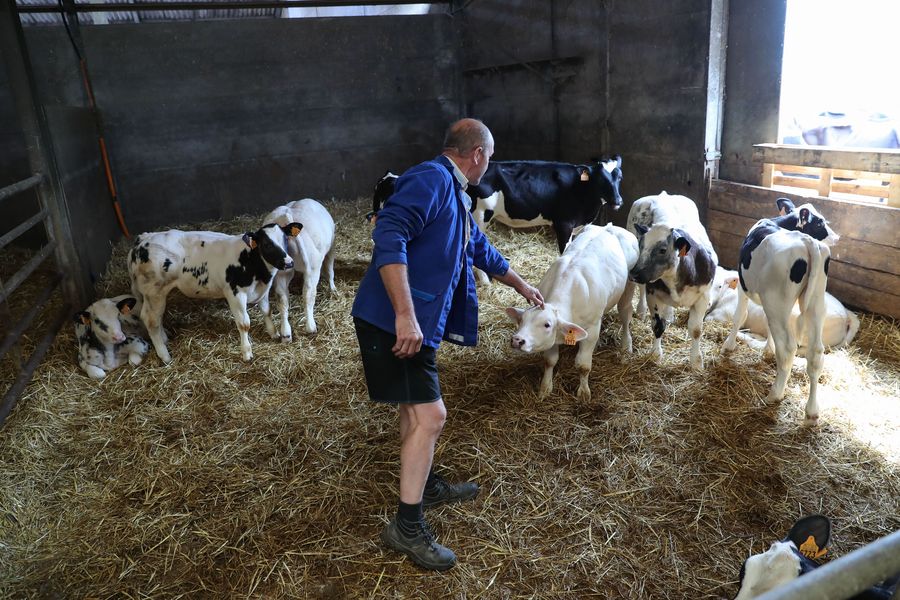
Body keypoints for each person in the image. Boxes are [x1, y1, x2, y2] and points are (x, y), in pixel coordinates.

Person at [351, 118, 544, 571]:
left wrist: (521, 285)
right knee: (431, 415)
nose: (488, 164)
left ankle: (424, 484)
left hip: (414, 320)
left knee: (414, 408)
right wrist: (404, 315)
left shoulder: (453, 191)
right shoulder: (431, 179)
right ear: (477, 154)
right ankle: (407, 527)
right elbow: (389, 234)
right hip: (395, 320)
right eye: (489, 157)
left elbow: (478, 246)